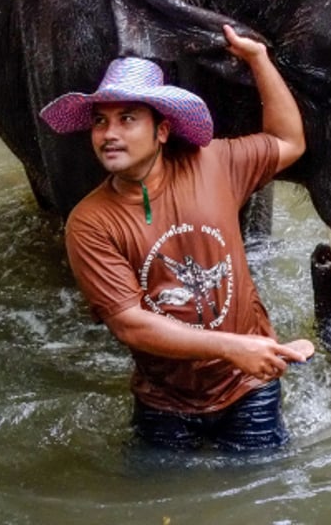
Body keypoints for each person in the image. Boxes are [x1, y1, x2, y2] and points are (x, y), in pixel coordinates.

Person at [39, 25, 314, 452]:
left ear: (162, 130)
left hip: (249, 387)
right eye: (100, 121)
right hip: (165, 401)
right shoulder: (90, 222)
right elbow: (131, 324)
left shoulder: (213, 163)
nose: (109, 134)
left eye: (127, 118)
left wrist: (259, 60)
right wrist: (232, 347)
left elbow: (287, 142)